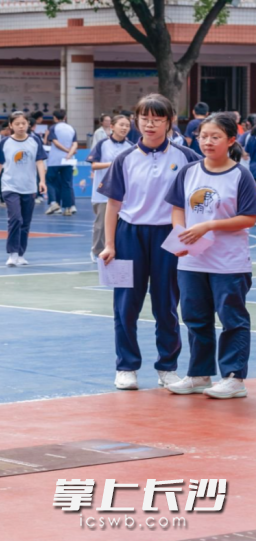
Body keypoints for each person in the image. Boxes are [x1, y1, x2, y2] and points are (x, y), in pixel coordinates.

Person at [98, 94, 203, 391]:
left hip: (168, 237)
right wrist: (109, 244)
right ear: (136, 121)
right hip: (129, 235)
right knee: (125, 305)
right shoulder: (124, 159)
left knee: (166, 304)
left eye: (158, 119)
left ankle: (167, 366)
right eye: (144, 118)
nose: (150, 124)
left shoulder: (186, 157)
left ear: (170, 122)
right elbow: (113, 206)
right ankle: (126, 366)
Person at [164, 113, 256, 399]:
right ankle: (199, 375)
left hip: (228, 263)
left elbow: (249, 217)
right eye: (203, 136)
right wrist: (180, 233)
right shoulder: (188, 171)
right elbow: (177, 207)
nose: (207, 141)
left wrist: (209, 225)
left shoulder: (241, 174)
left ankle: (233, 377)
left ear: (231, 140)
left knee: (232, 318)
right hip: (191, 261)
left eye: (215, 137)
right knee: (194, 317)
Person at [0, 111, 47, 267]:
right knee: (15, 219)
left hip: (29, 187)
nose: (21, 126)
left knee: (25, 222)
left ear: (28, 124)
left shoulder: (35, 141)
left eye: (23, 123)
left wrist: (42, 181)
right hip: (10, 187)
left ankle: (21, 254)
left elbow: (40, 161)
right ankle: (12, 254)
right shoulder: (5, 143)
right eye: (17, 124)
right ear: (10, 126)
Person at [87, 114, 132, 263]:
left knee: (121, 224)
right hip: (102, 193)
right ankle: (98, 251)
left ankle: (117, 249)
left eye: (127, 125)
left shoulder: (131, 147)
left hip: (123, 194)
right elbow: (94, 165)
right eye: (121, 125)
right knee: (101, 225)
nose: (125, 128)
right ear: (112, 127)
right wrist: (113, 164)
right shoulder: (102, 144)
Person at [44, 109, 78, 216]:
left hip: (55, 160)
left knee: (50, 181)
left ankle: (54, 203)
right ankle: (68, 208)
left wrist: (66, 150)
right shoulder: (71, 128)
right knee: (67, 184)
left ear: (55, 117)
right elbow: (75, 144)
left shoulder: (53, 127)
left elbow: (54, 142)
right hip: (68, 160)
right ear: (65, 117)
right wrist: (70, 153)